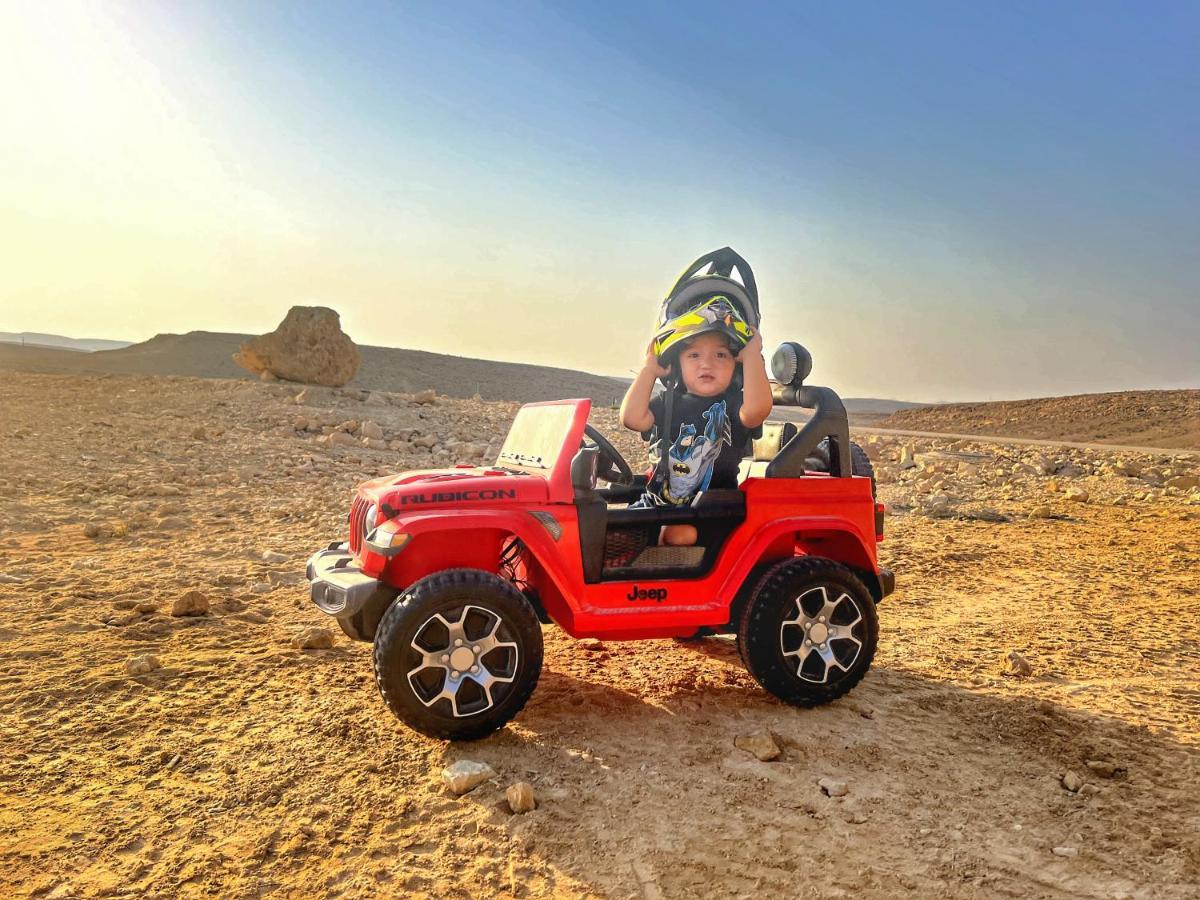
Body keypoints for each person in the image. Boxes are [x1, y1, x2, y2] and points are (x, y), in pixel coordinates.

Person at [620, 293, 772, 546]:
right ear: (676, 363)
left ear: (737, 364)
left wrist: (753, 355)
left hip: (712, 512)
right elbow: (632, 418)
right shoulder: (668, 402)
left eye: (721, 355)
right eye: (693, 355)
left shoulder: (735, 406)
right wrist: (649, 369)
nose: (706, 364)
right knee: (609, 537)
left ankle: (665, 584)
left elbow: (758, 409)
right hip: (656, 503)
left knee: (679, 535)